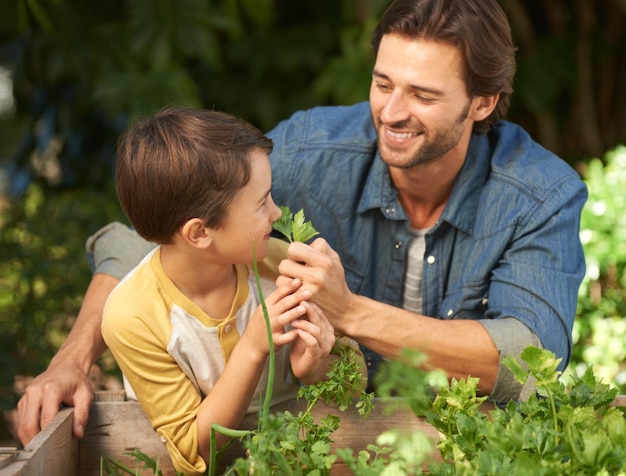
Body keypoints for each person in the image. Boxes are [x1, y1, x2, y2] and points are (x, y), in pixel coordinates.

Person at [17, 0, 587, 447]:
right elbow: (159, 235)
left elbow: (528, 359)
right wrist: (72, 358)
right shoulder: (313, 150)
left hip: (459, 447)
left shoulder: (539, 194)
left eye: (423, 95)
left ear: (482, 103)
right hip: (325, 441)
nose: (390, 112)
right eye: (383, 83)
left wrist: (350, 312)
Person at [104, 107, 337, 474]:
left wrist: (316, 366)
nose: (277, 214)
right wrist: (252, 348)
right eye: (262, 203)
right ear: (200, 233)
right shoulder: (132, 316)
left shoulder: (283, 266)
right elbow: (192, 451)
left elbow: (352, 379)